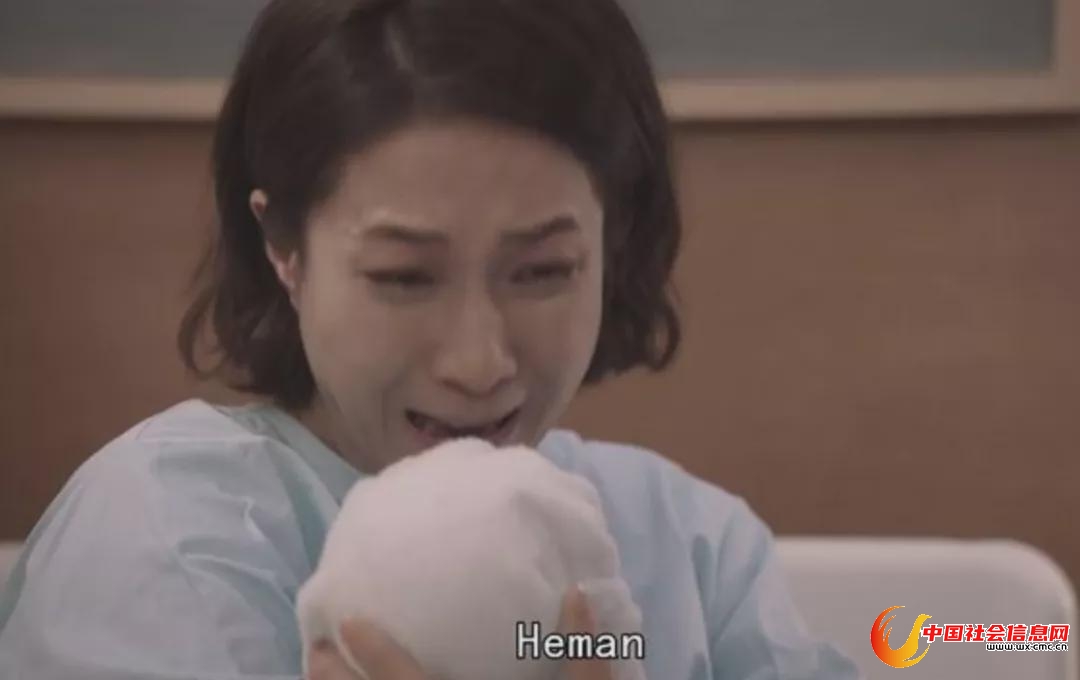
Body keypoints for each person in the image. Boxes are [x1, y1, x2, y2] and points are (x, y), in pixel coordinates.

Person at [0, 0, 862, 678]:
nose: (479, 364)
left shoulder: (689, 553)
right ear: (284, 251)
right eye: (405, 277)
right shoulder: (171, 540)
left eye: (543, 270)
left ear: (614, 246)